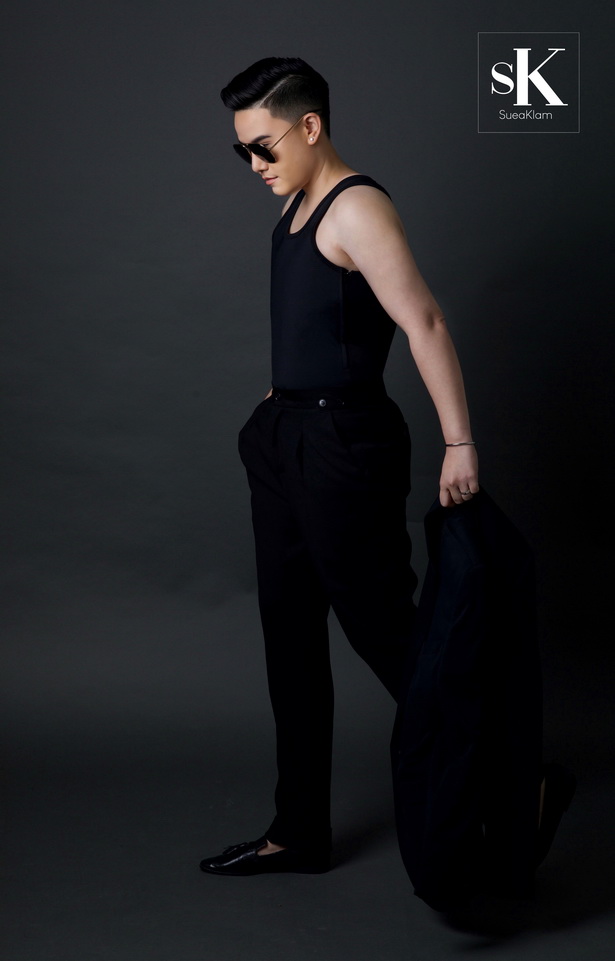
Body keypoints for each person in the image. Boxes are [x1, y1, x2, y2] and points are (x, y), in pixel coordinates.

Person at [200, 56, 481, 877]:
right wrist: (273, 407)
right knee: (288, 637)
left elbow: (423, 321)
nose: (254, 164)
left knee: (384, 628)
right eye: (242, 151)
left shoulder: (357, 207)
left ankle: (513, 775)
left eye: (262, 146)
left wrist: (459, 442)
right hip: (285, 438)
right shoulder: (295, 203)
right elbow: (314, 324)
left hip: (343, 445)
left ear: (310, 126)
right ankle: (298, 830)